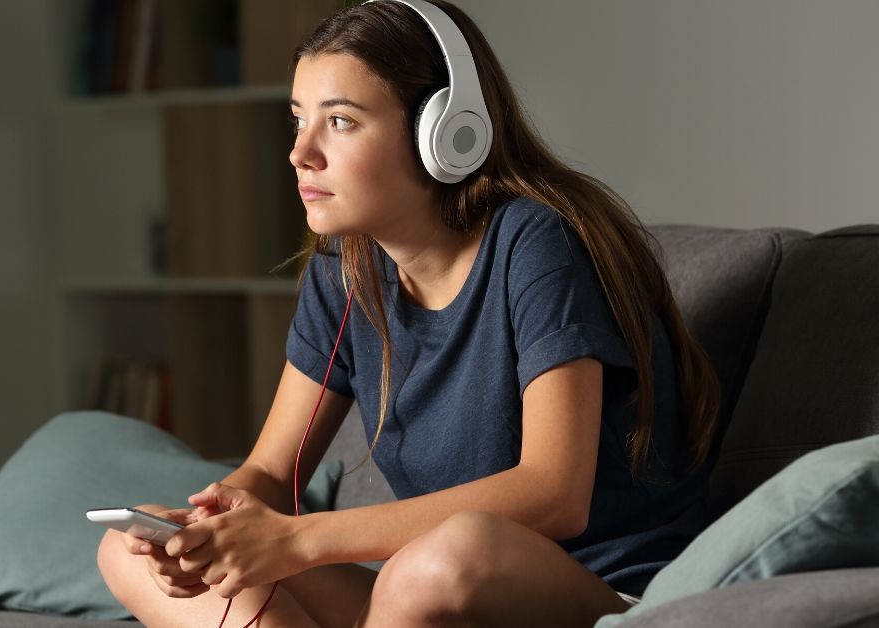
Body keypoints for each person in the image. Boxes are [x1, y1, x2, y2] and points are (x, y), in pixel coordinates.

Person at [97, 1, 720, 626]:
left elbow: (555, 495)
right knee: (123, 552)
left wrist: (297, 540)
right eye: (298, 120)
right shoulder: (344, 267)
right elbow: (270, 472)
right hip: (423, 594)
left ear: (445, 133)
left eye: (339, 121)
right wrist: (208, 532)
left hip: (596, 593)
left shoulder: (536, 244)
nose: (300, 153)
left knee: (437, 560)